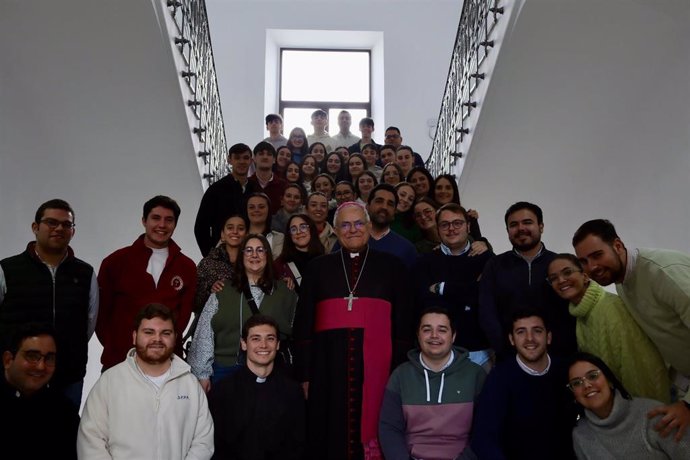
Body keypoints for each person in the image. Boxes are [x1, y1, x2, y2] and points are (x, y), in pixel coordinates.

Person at [293, 200, 414, 459]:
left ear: (369, 227)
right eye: (345, 225)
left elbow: (403, 326)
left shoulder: (393, 267)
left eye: (359, 223)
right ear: (335, 230)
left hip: (379, 368)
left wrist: (400, 371)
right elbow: (303, 326)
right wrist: (305, 374)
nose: (352, 229)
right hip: (327, 367)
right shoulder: (317, 268)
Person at [573, 218, 690, 439]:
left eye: (597, 255)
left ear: (617, 245)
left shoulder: (664, 272)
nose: (592, 267)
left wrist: (688, 405)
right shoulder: (621, 281)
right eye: (584, 261)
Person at [78, 303, 214, 459]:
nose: (157, 339)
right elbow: (91, 441)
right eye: (149, 332)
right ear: (135, 336)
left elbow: (203, 441)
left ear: (175, 338)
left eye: (166, 333)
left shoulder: (190, 385)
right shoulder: (109, 382)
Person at [0, 198, 98, 408]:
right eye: (51, 222)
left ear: (73, 231)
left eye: (66, 224)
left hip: (68, 376)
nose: (59, 228)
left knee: (61, 436)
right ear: (36, 227)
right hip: (17, 376)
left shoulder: (85, 273)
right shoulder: (8, 269)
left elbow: (89, 324)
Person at [547, 254, 670, 402]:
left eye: (567, 272)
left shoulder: (612, 308)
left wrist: (646, 416)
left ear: (585, 276)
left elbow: (641, 370)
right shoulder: (580, 315)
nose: (561, 280)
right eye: (553, 278)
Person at [97, 195, 196, 371]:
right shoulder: (115, 262)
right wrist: (117, 346)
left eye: (169, 220)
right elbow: (101, 314)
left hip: (168, 364)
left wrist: (162, 347)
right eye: (156, 218)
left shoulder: (186, 267)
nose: (162, 225)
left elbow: (183, 317)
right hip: (120, 362)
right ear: (144, 220)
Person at [188, 234, 297, 391]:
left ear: (268, 255)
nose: (254, 255)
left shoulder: (286, 292)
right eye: (249, 250)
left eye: (260, 250)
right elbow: (204, 333)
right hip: (227, 370)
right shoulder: (222, 290)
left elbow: (299, 333)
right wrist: (202, 374)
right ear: (241, 256)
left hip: (272, 371)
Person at [379, 307, 486, 460]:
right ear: (418, 335)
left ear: (453, 336)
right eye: (427, 330)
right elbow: (389, 428)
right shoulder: (400, 375)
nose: (434, 336)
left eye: (442, 330)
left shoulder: (475, 375)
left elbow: (483, 432)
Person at [470, 310, 575, 459]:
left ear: (549, 337)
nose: (529, 338)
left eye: (537, 331)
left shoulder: (567, 371)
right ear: (512, 339)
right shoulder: (499, 378)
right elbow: (483, 439)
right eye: (521, 332)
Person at [479, 201, 576, 361]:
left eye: (527, 222)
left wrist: (561, 349)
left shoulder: (559, 264)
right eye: (514, 225)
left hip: (559, 358)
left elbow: (571, 310)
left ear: (541, 226)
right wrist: (504, 348)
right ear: (508, 230)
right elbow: (487, 312)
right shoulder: (495, 265)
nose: (521, 228)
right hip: (509, 358)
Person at [208, 314, 305, 460]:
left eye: (270, 338)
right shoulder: (222, 391)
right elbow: (215, 446)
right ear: (244, 344)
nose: (263, 345)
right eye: (256, 338)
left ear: (278, 344)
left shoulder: (293, 392)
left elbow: (299, 444)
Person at [413, 204, 493, 371]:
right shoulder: (424, 262)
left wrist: (444, 289)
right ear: (438, 228)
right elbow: (426, 304)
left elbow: (487, 299)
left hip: (481, 352)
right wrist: (471, 289)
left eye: (457, 223)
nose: (451, 229)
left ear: (468, 226)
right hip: (438, 353)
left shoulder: (487, 259)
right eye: (445, 224)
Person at [567, 352, 690, 458]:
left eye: (593, 376)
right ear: (574, 395)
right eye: (577, 383)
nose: (587, 385)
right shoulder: (580, 435)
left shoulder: (653, 415)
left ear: (610, 381)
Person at [1, 323, 80, 460]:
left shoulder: (63, 411)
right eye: (32, 356)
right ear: (8, 360)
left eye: (49, 358)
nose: (41, 366)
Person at [194, 142, 256, 256]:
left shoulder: (256, 190)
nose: (242, 161)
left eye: (246, 158)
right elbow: (201, 227)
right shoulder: (216, 190)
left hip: (249, 254)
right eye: (237, 158)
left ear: (251, 161)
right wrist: (210, 255)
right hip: (222, 254)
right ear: (229, 160)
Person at [194, 214, 248, 316]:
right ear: (222, 234)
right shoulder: (207, 264)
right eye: (230, 228)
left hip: (247, 322)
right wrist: (211, 291)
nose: (235, 232)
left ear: (247, 234)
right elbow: (195, 303)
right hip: (214, 323)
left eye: (240, 228)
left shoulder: (254, 262)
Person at [365, 183, 418, 269]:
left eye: (390, 204)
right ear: (367, 206)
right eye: (379, 201)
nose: (384, 207)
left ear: (394, 212)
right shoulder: (348, 240)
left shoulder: (407, 249)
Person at [274, 214, 325, 292]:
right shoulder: (280, 264)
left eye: (303, 227)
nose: (298, 232)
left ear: (311, 229)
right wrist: (281, 284)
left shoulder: (324, 260)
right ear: (289, 235)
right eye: (293, 229)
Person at [432, 174, 483, 240]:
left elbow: (479, 243)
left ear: (454, 191)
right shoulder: (426, 219)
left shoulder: (469, 218)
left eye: (448, 188)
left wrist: (485, 243)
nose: (443, 191)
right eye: (439, 188)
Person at [248, 141, 288, 216]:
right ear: (254, 159)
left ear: (274, 160)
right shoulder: (247, 184)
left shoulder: (283, 185)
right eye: (261, 154)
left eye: (269, 154)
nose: (265, 157)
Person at [246, 192, 285, 257]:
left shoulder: (279, 238)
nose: (256, 210)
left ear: (268, 210)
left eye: (261, 207)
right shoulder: (239, 237)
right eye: (251, 207)